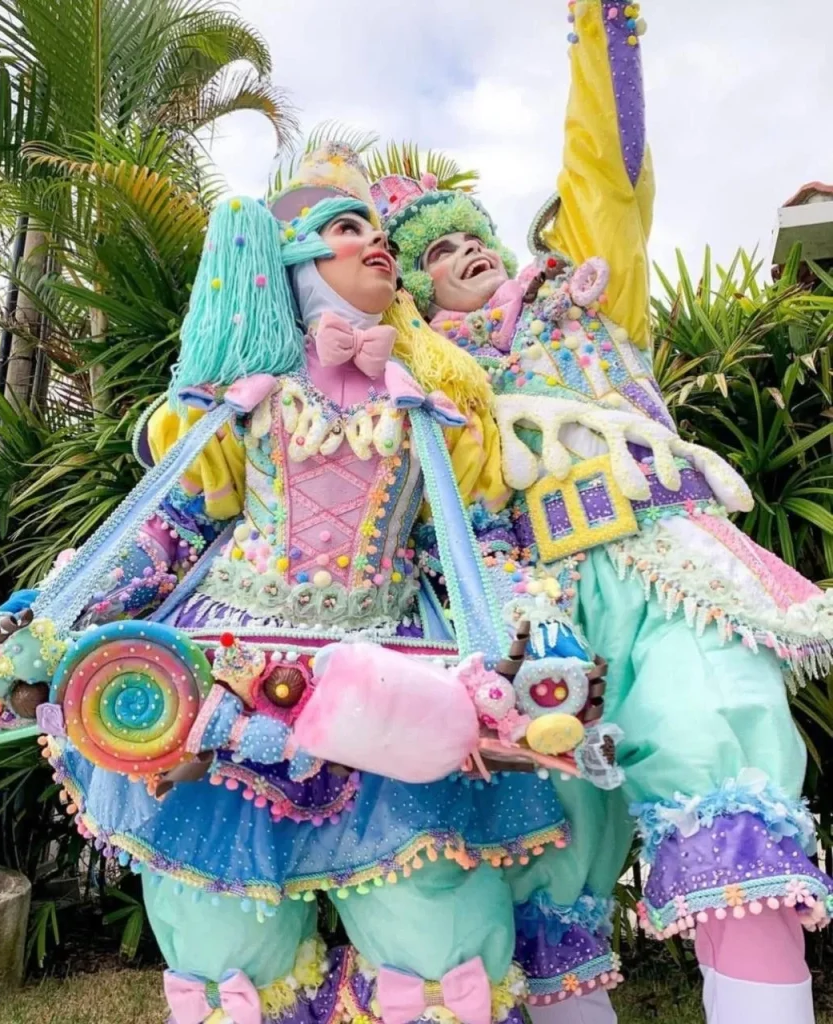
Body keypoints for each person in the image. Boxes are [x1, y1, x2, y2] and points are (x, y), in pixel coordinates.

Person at [0, 144, 621, 1024]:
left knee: (436, 938)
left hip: (397, 676)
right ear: (283, 265)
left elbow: (473, 547)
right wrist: (52, 625)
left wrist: (533, 641)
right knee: (224, 952)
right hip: (230, 681)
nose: (377, 247)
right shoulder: (233, 401)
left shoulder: (433, 409)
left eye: (378, 234)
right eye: (345, 229)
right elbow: (168, 530)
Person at [373, 3, 833, 1022]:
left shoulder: (587, 291)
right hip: (527, 610)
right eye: (439, 250)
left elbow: (607, 174)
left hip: (660, 564)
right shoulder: (420, 376)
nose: (466, 251)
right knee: (555, 845)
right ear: (412, 287)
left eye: (472, 234)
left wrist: (600, 26)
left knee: (722, 751)